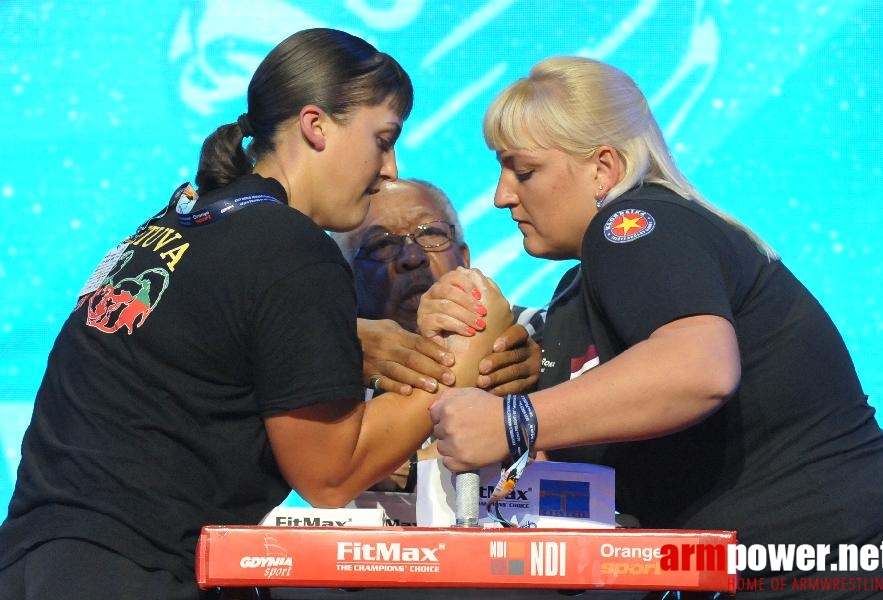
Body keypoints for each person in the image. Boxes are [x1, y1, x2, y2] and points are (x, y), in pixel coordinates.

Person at [0, 28, 511, 600]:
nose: (390, 167)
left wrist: (351, 341)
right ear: (316, 126)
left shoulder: (185, 222)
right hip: (125, 571)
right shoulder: (290, 247)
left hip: (32, 561)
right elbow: (329, 475)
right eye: (382, 139)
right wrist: (458, 362)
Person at [423, 56, 883, 597]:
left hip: (835, 567)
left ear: (603, 168)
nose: (501, 195)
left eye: (524, 170)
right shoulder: (580, 291)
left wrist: (515, 419)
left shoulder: (635, 226)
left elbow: (699, 371)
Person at [332, 178, 543, 491]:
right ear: (348, 275)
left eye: (430, 233)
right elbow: (328, 469)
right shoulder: (333, 359)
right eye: (382, 245)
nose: (412, 256)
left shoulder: (534, 333)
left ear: (465, 257)